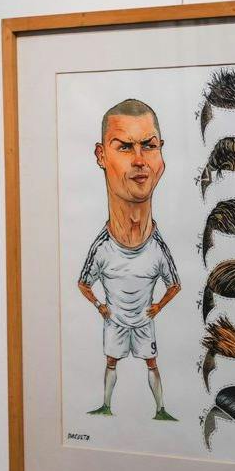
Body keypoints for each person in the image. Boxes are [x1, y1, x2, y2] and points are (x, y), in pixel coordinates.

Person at [78, 98, 181, 420]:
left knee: (152, 363)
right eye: (124, 147)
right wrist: (100, 307)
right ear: (101, 155)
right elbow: (83, 283)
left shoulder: (159, 249)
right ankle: (106, 405)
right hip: (116, 322)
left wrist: (157, 307)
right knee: (111, 363)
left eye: (149, 146)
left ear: (161, 155)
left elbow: (175, 285)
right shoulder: (101, 249)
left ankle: (160, 409)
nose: (139, 160)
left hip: (143, 322)